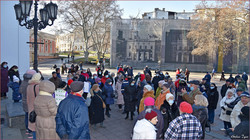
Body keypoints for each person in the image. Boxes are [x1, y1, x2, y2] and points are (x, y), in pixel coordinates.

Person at [19, 69, 36, 134]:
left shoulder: (23, 81)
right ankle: (30, 129)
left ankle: (27, 129)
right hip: (31, 101)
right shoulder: (31, 83)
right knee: (31, 116)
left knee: (27, 115)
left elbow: (20, 91)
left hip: (24, 101)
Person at [27, 73, 41, 139]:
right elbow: (39, 98)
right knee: (36, 126)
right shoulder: (37, 86)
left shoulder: (29, 86)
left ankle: (32, 135)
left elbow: (27, 98)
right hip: (36, 107)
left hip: (30, 106)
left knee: (32, 122)